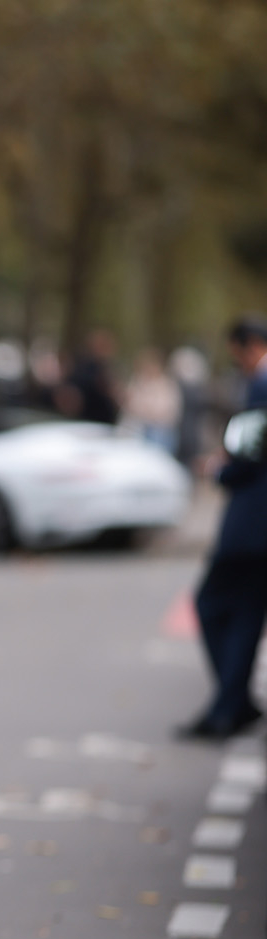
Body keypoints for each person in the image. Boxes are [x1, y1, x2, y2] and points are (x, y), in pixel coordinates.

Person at [178, 316, 267, 740]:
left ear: (249, 346)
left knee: (211, 604)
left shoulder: (263, 382)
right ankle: (233, 705)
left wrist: (220, 469)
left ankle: (229, 704)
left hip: (253, 523)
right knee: (247, 612)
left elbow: (250, 455)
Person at [121, 348, 182, 454]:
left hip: (159, 431)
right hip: (136, 428)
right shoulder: (137, 382)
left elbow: (166, 414)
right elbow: (130, 406)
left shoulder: (166, 385)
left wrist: (145, 410)